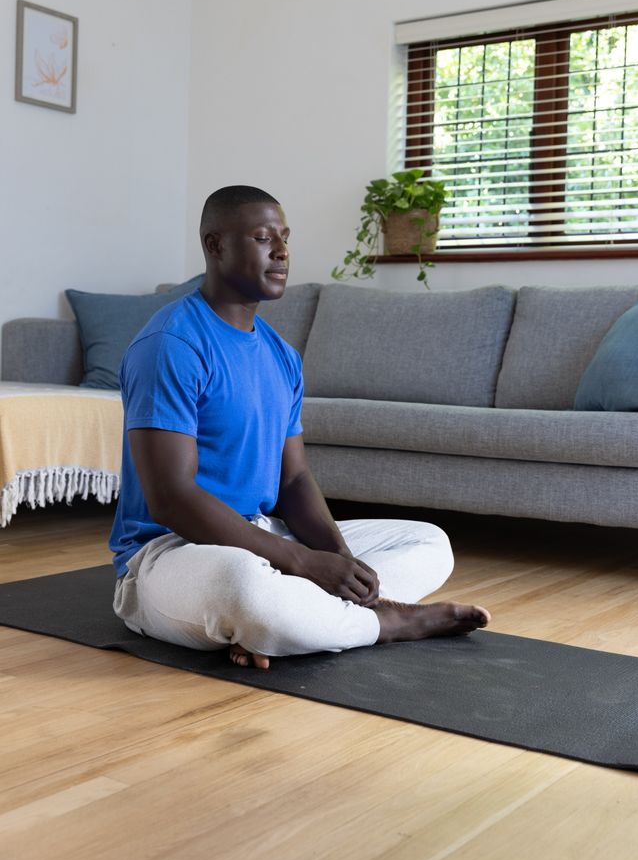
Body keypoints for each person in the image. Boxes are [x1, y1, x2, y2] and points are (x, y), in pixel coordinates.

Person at [110, 186, 491, 669]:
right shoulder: (171, 344)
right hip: (169, 555)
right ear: (215, 245)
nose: (282, 251)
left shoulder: (282, 356)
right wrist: (305, 564)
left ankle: (286, 624)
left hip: (265, 536)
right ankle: (385, 624)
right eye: (262, 237)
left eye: (285, 237)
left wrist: (338, 560)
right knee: (244, 587)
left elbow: (293, 480)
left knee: (429, 542)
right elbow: (170, 497)